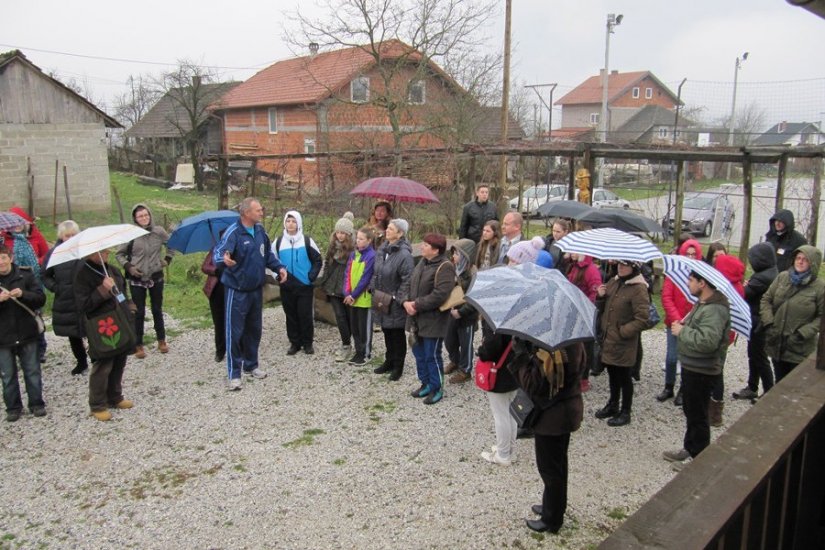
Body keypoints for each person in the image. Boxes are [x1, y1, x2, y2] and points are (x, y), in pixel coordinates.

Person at [508, 339, 586, 534]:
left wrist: (521, 357)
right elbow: (583, 366)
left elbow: (533, 384)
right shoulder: (573, 341)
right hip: (566, 410)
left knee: (550, 470)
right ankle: (553, 506)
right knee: (558, 465)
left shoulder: (552, 350)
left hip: (553, 417)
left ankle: (552, 520)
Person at [214, 198, 287, 391]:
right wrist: (225, 259)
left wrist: (279, 267)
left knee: (254, 330)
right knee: (234, 332)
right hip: (237, 291)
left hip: (256, 290)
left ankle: (251, 365)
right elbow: (218, 254)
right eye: (258, 210)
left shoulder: (260, 231)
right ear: (246, 213)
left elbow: (268, 255)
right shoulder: (233, 232)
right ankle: (234, 374)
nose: (262, 212)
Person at [663, 270, 731, 469]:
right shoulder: (703, 304)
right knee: (691, 410)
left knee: (699, 414)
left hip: (703, 368)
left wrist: (683, 332)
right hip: (692, 365)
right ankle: (690, 447)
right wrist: (685, 325)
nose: (688, 283)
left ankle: (698, 458)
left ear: (702, 283)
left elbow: (708, 341)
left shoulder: (715, 309)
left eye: (691, 280)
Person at [74, 248, 134, 422]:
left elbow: (122, 291)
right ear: (90, 253)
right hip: (101, 324)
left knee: (120, 358)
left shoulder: (112, 270)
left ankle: (115, 397)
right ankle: (97, 404)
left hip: (120, 319)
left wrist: (129, 305)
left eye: (106, 250)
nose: (105, 253)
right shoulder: (82, 275)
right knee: (104, 363)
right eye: (100, 251)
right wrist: (102, 289)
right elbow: (83, 304)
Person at [594, 260, 650, 427]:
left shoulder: (639, 288)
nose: (620, 267)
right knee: (612, 374)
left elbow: (642, 319)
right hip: (608, 338)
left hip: (623, 342)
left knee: (624, 377)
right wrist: (601, 296)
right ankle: (612, 403)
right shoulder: (614, 281)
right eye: (619, 264)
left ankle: (625, 411)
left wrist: (623, 331)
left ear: (633, 267)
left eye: (624, 265)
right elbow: (602, 308)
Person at [116, 203, 174, 359]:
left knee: (157, 309)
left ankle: (161, 340)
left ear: (150, 216)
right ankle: (138, 344)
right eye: (140, 216)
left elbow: (172, 244)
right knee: (139, 311)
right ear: (135, 218)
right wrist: (129, 267)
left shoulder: (158, 231)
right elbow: (119, 255)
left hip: (156, 275)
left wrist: (167, 259)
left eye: (146, 215)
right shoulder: (130, 234)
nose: (144, 218)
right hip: (137, 277)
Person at [761, 245, 824, 382]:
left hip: (799, 346)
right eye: (798, 258)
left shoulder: (819, 287)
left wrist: (803, 333)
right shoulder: (782, 277)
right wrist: (769, 323)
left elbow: (822, 317)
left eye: (805, 259)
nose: (800, 262)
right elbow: (766, 299)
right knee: (779, 381)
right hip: (777, 342)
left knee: (794, 385)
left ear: (812, 263)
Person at [404, 233, 454, 405]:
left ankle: (437, 387)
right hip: (416, 319)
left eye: (426, 245)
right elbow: (410, 283)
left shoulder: (445, 266)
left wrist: (416, 304)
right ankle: (425, 383)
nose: (422, 247)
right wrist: (405, 302)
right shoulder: (422, 263)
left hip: (433, 320)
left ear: (436, 250)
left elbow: (440, 294)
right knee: (418, 353)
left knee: (431, 354)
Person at [0, 244, 47, 422]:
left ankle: (37, 403)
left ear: (10, 258)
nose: (1, 262)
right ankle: (13, 408)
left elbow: (40, 298)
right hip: (3, 337)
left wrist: (23, 294)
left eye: (4, 257)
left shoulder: (25, 275)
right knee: (7, 375)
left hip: (27, 333)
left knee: (33, 370)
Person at [659, 239, 703, 404]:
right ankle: (668, 386)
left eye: (693, 254)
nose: (690, 257)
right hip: (674, 322)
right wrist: (676, 319)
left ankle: (684, 389)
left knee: (687, 358)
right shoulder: (674, 274)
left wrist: (689, 322)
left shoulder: (701, 276)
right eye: (687, 254)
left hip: (692, 324)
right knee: (671, 357)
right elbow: (666, 297)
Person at [42, 220, 89, 375]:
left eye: (73, 235)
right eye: (66, 236)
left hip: (85, 296)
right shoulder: (54, 253)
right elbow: (45, 275)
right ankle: (81, 361)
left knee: (92, 329)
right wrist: (56, 287)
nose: (70, 239)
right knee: (73, 334)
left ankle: (97, 357)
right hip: (66, 299)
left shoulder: (84, 250)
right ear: (61, 236)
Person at [273, 210, 322, 355]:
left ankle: (307, 343)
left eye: (294, 221)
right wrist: (278, 276)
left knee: (305, 315)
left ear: (298, 223)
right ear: (284, 223)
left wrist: (311, 276)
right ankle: (295, 343)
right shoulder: (278, 242)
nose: (291, 224)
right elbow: (272, 261)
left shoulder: (307, 241)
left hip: (304, 285)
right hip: (287, 284)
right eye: (288, 221)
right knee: (291, 315)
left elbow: (317, 260)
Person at [733, 242, 778, 400]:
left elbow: (744, 294)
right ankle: (752, 386)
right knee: (754, 354)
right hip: (757, 320)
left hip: (760, 322)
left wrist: (743, 286)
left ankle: (768, 391)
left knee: (759, 356)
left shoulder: (763, 277)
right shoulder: (770, 272)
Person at [371, 219, 413, 381]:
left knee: (396, 333)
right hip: (382, 297)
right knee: (386, 330)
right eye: (387, 227)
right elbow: (377, 272)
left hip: (394, 300)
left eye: (391, 228)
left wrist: (398, 298)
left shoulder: (404, 255)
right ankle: (389, 360)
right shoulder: (383, 249)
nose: (387, 230)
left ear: (400, 233)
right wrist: (373, 287)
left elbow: (407, 279)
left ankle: (398, 365)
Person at [709, 253, 745, 426]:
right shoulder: (735, 285)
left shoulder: (727, 290)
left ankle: (715, 411)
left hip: (720, 336)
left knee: (716, 371)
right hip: (726, 335)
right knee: (717, 370)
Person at [316, 213, 356, 362]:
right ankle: (345, 344)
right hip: (332, 285)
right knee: (339, 316)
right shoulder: (332, 246)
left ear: (349, 234)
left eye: (343, 233)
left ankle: (356, 342)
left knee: (349, 316)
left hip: (346, 286)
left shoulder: (353, 249)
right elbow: (327, 262)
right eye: (338, 232)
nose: (340, 236)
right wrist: (324, 281)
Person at [477, 331, 518, 466]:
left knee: (501, 415)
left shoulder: (496, 322)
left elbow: (491, 348)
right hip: (514, 369)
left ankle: (503, 454)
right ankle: (510, 450)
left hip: (500, 373)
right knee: (511, 413)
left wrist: (481, 351)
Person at [444, 239, 479, 384]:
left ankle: (466, 370)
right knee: (449, 340)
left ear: (465, 256)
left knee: (466, 344)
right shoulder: (454, 268)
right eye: (453, 253)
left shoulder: (473, 274)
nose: (454, 257)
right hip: (452, 313)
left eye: (457, 253)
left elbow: (474, 299)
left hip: (467, 317)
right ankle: (455, 360)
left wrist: (461, 312)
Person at [567, 253, 601, 392]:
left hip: (585, 314)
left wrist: (586, 308)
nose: (572, 254)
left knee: (585, 348)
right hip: (574, 311)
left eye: (575, 251)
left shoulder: (591, 270)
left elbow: (594, 293)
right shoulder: (574, 266)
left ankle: (584, 378)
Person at [343, 226, 375, 366]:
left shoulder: (372, 256)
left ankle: (366, 353)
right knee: (354, 327)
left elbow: (365, 278)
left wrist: (354, 295)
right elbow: (347, 274)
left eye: (361, 239)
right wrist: (347, 292)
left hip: (363, 299)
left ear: (369, 240)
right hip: (352, 298)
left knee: (364, 328)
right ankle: (358, 351)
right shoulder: (353, 254)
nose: (358, 241)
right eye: (357, 238)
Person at [201, 235, 226, 363]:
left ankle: (237, 349)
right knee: (219, 322)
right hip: (216, 291)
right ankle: (220, 351)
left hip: (232, 289)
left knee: (234, 322)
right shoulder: (215, 250)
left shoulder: (237, 249)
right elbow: (204, 266)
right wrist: (216, 270)